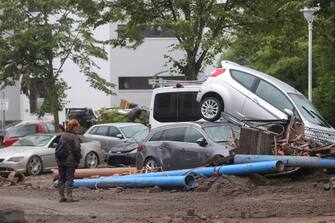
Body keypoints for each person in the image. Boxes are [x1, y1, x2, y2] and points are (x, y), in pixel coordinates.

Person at [56, 119, 82, 202]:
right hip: (70, 161)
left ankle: (61, 196)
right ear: (74, 127)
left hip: (60, 160)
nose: (78, 129)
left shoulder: (62, 135)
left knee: (61, 178)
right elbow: (77, 149)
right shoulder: (74, 137)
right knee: (70, 178)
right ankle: (69, 197)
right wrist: (78, 159)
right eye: (77, 127)